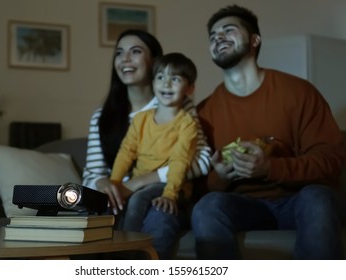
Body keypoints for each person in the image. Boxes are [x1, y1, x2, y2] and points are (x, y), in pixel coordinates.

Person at [192, 4, 344, 259]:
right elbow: (196, 188)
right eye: (213, 36)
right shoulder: (204, 112)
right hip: (243, 208)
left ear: (254, 40)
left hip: (298, 200)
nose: (218, 37)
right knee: (207, 208)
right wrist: (221, 177)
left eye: (228, 30)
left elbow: (331, 161)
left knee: (317, 199)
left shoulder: (298, 93)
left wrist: (270, 168)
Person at [82, 29, 211, 259]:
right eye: (119, 53)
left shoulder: (178, 106)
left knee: (157, 217)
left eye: (136, 51)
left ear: (155, 61)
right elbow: (92, 174)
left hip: (164, 193)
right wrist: (105, 183)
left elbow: (201, 161)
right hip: (117, 198)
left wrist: (136, 183)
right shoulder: (102, 116)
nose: (125, 59)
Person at [110, 52, 199, 232]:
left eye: (175, 79)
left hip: (173, 187)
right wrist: (115, 184)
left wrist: (169, 195)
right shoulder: (141, 119)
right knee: (110, 204)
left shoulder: (187, 124)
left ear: (189, 89)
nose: (166, 84)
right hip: (140, 182)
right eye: (160, 77)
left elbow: (179, 161)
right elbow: (126, 152)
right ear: (153, 84)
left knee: (138, 199)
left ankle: (127, 253)